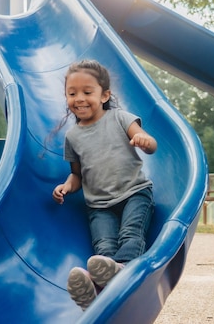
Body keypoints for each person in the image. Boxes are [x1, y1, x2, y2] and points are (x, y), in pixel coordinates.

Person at [52, 59, 157, 310]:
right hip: (99, 206)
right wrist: (66, 186)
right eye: (72, 93)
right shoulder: (72, 136)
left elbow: (151, 145)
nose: (79, 98)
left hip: (134, 193)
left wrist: (143, 139)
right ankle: (96, 291)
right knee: (103, 248)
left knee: (131, 234)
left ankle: (123, 270)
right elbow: (77, 175)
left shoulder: (120, 118)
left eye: (87, 92)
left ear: (104, 95)